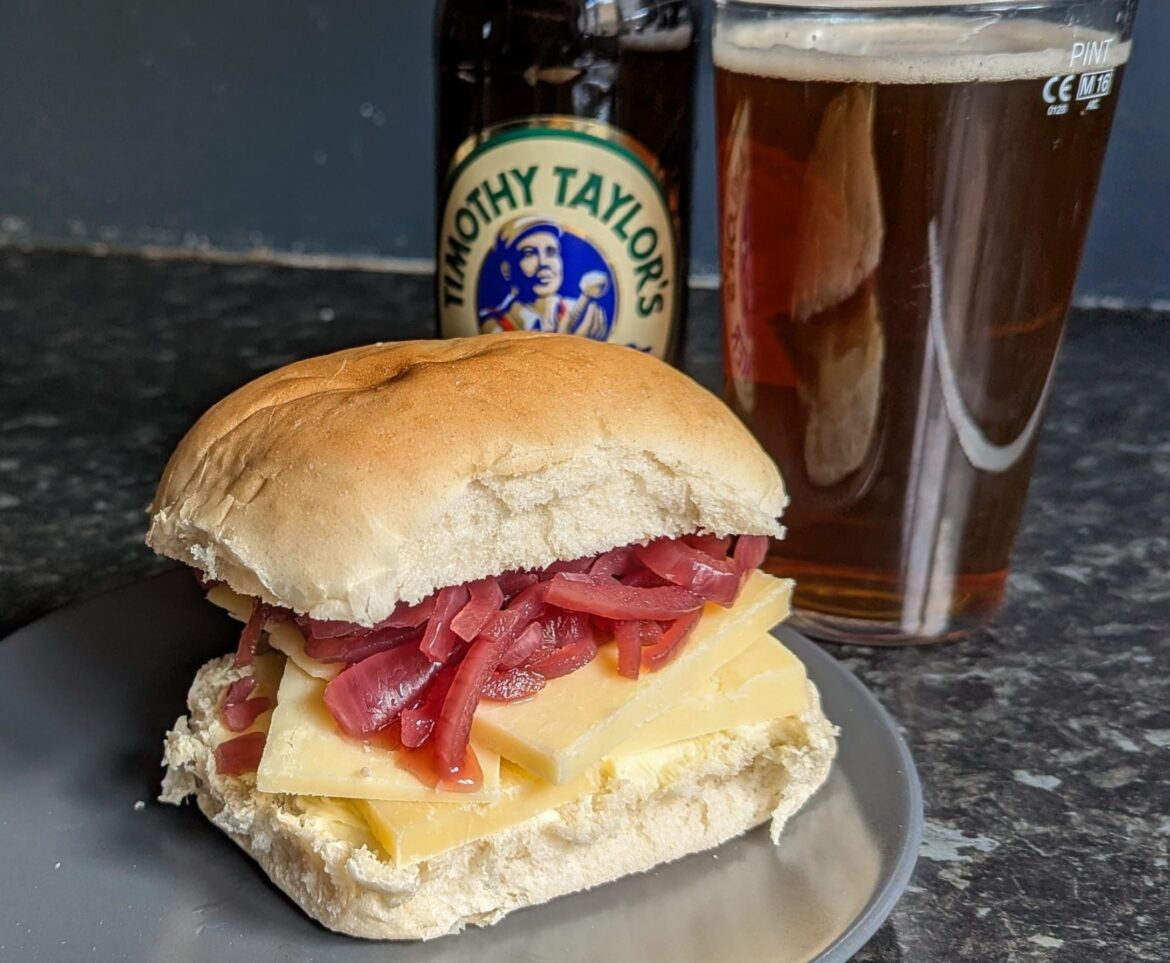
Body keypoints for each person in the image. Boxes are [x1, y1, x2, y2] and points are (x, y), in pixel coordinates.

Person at [478, 217, 610, 338]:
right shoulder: (495, 326)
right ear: (506, 270)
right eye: (529, 253)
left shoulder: (580, 311)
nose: (543, 263)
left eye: (551, 252)